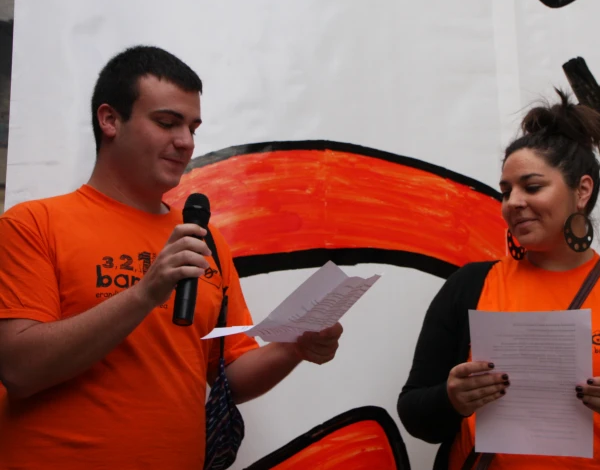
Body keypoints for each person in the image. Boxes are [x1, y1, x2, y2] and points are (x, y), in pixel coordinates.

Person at [0, 45, 343, 469]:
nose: (185, 142)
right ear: (109, 120)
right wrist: (146, 293)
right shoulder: (33, 223)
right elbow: (19, 370)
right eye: (167, 122)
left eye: (193, 127)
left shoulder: (205, 239)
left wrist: (294, 346)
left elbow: (229, 376)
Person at [397, 89, 600, 469]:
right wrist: (451, 399)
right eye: (506, 191)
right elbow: (415, 413)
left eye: (532, 187)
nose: (513, 203)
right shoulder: (470, 286)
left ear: (582, 191)